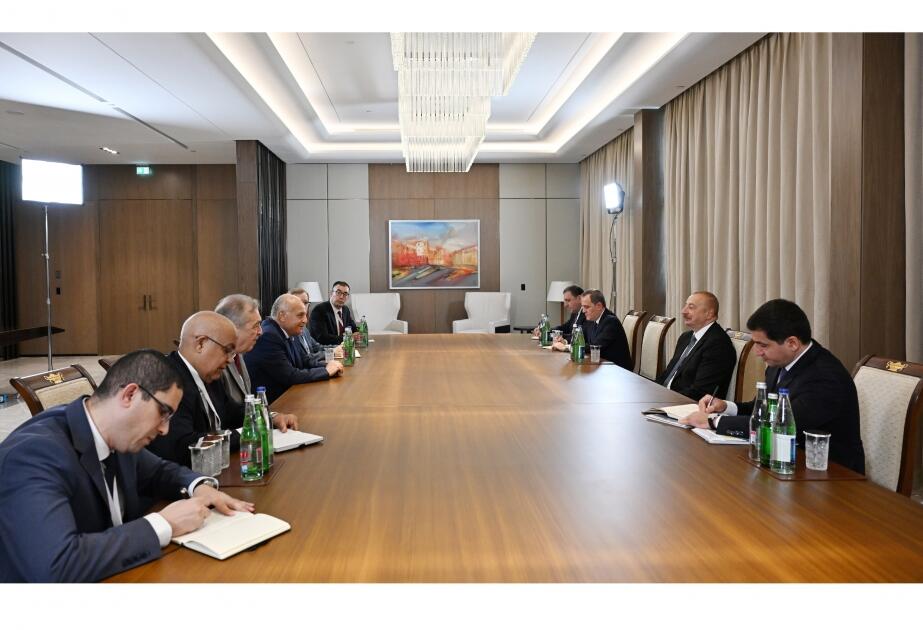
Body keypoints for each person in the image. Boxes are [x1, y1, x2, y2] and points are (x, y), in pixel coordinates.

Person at [0, 349, 253, 582]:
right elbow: (57, 566)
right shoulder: (33, 456)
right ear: (130, 394)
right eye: (163, 413)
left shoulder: (115, 433)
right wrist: (163, 524)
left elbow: (160, 471)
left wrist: (199, 487)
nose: (165, 430)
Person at [682, 298, 866, 474]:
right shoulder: (780, 363)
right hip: (782, 462)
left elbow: (779, 426)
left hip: (829, 474)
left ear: (792, 343)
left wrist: (713, 422)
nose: (757, 352)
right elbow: (762, 411)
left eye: (763, 345)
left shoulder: (825, 377)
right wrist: (725, 407)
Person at [147, 311, 240, 467]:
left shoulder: (210, 375)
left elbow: (234, 413)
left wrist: (269, 418)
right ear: (201, 344)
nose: (230, 360)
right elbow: (183, 446)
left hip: (216, 466)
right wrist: (243, 435)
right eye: (227, 350)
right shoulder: (168, 381)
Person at [215, 294, 299, 432]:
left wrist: (272, 417)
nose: (260, 332)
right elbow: (227, 418)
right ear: (231, 327)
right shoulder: (215, 365)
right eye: (255, 326)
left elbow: (243, 409)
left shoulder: (239, 354)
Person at [246, 294, 344, 403]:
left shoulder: (288, 331)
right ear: (282, 316)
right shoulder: (269, 336)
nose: (305, 320)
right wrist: (326, 371)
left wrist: (330, 366)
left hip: (291, 396)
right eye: (300, 315)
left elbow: (304, 360)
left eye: (305, 315)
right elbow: (290, 376)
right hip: (275, 404)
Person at [656, 291, 737, 401]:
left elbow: (700, 392)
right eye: (685, 306)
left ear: (709, 314)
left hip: (686, 404)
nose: (683, 311)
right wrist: (651, 390)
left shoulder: (718, 345)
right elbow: (667, 374)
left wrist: (663, 398)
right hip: (665, 396)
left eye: (691, 307)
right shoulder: (686, 337)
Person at [553, 289, 632, 369]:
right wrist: (564, 341)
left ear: (599, 306)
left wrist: (566, 347)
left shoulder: (611, 321)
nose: (583, 311)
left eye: (586, 307)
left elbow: (595, 347)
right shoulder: (593, 319)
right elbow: (581, 336)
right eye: (583, 307)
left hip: (616, 370)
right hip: (599, 366)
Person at [289, 287, 342, 363]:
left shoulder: (304, 329)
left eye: (305, 303)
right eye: (298, 302)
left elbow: (317, 347)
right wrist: (332, 352)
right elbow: (305, 359)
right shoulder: (290, 330)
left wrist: (338, 347)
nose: (302, 306)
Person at [309, 280, 359, 346]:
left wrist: (357, 333)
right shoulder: (319, 310)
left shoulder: (345, 310)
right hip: (325, 349)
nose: (341, 297)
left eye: (345, 294)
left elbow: (353, 328)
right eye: (338, 293)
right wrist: (347, 338)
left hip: (343, 347)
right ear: (331, 293)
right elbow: (322, 338)